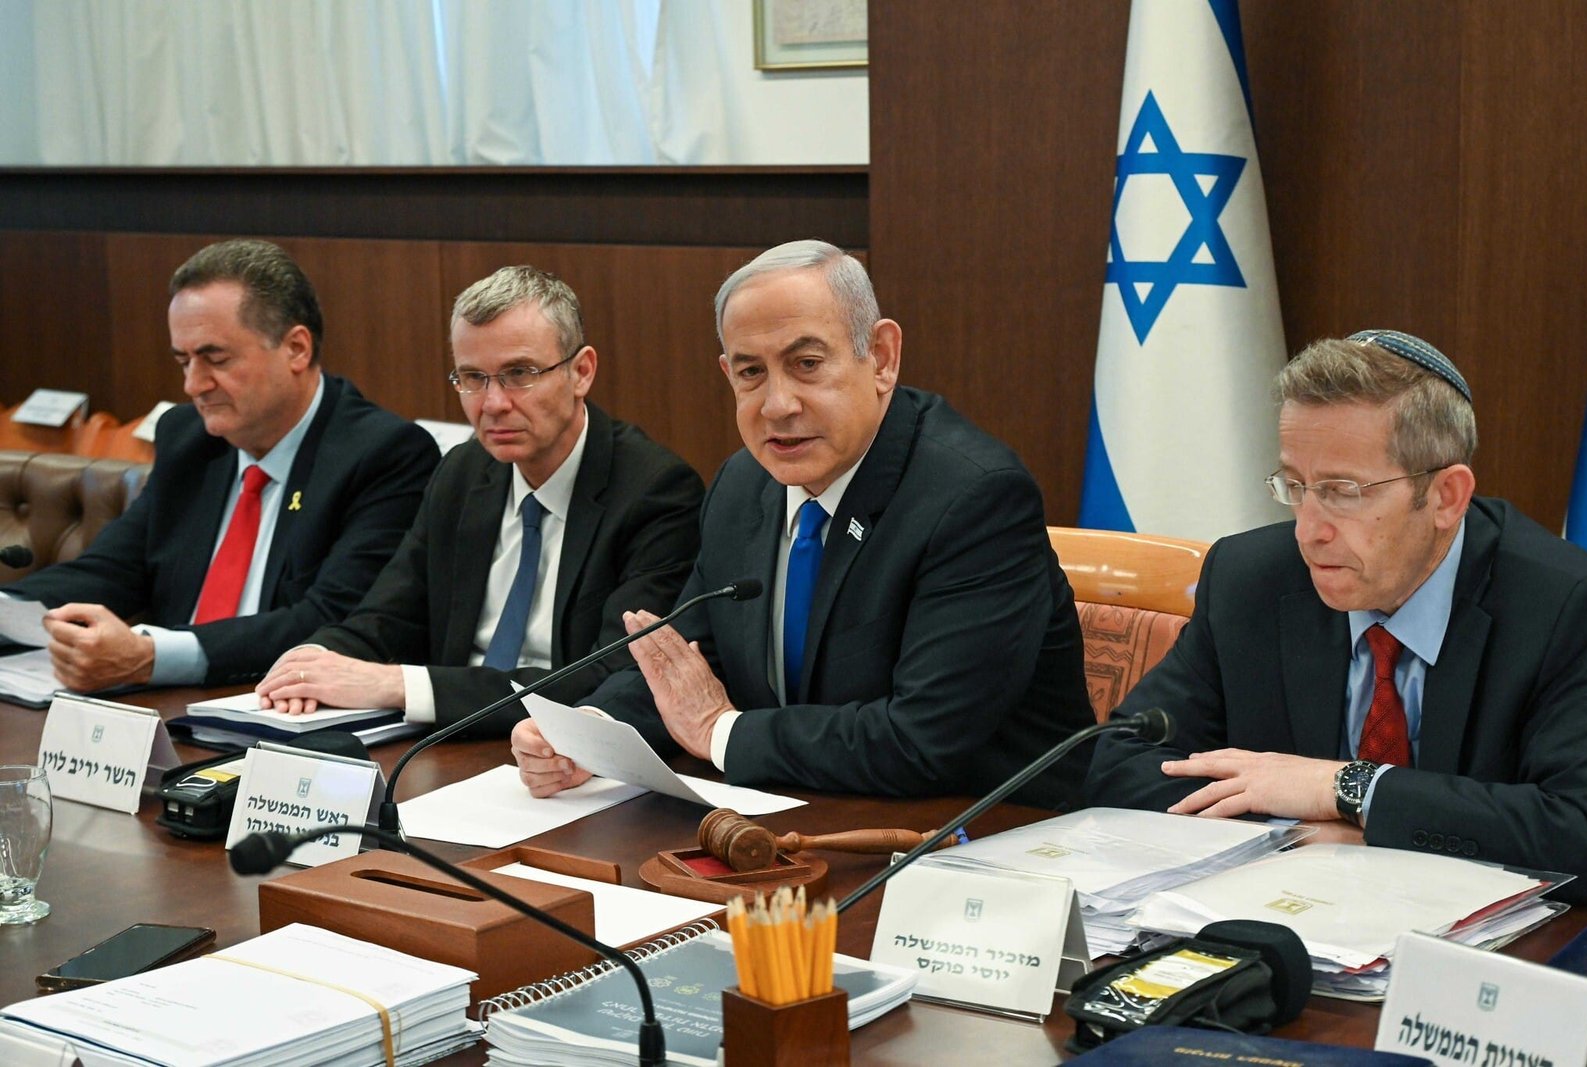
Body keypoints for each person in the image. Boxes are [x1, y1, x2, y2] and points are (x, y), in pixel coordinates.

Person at [509, 239, 1096, 806]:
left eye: (807, 364)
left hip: (982, 835)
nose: (777, 405)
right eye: (751, 373)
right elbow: (693, 660)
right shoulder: (744, 485)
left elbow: (923, 740)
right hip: (800, 812)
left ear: (882, 358)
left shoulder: (974, 499)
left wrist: (720, 732)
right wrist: (591, 734)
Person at [1086, 330, 1587, 902]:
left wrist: (1348, 789)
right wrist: (1297, 835)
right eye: (1297, 486)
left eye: (1344, 491)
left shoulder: (1564, 604)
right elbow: (1121, 764)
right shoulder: (1251, 578)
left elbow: (1584, 829)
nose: (1309, 530)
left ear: (1446, 497)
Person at [254, 267, 703, 736]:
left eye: (519, 374)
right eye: (473, 378)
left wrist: (400, 685)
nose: (492, 404)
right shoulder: (463, 474)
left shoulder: (656, 492)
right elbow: (385, 616)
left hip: (565, 756)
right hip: (445, 745)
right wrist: (310, 663)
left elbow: (612, 675)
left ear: (581, 372)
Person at [5, 238, 438, 690]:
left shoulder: (383, 454)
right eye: (183, 360)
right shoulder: (189, 437)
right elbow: (114, 568)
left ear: (296, 348)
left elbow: (332, 621)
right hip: (166, 706)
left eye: (216, 359)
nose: (194, 384)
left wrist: (153, 657)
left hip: (282, 706)